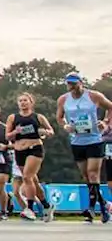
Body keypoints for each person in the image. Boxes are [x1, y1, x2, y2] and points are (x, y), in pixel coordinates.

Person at [55, 72, 112, 223]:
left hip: (94, 140)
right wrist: (65, 125)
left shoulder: (94, 96)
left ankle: (91, 208)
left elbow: (110, 107)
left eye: (74, 83)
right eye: (69, 84)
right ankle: (104, 205)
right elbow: (59, 117)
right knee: (87, 177)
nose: (72, 87)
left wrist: (105, 122)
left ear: (81, 82)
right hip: (77, 141)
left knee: (93, 174)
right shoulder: (63, 99)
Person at [6, 92, 54, 222]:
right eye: (20, 101)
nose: (23, 103)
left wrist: (45, 132)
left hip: (35, 149)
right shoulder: (12, 118)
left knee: (27, 177)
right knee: (33, 181)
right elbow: (7, 136)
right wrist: (16, 132)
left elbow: (51, 131)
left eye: (25, 100)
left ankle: (30, 209)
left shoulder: (38, 117)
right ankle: (47, 206)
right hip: (19, 150)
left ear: (31, 102)